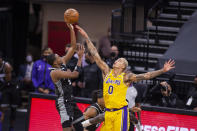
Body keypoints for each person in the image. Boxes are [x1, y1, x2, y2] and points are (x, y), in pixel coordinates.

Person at [76, 25, 175, 131]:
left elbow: (147, 76)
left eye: (120, 61)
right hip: (108, 112)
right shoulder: (107, 71)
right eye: (117, 60)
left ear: (123, 66)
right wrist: (86, 37)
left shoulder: (126, 77)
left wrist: (162, 70)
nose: (116, 61)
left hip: (120, 113)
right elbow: (95, 54)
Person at [47, 23, 84, 131]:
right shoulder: (55, 72)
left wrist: (71, 30)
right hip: (63, 102)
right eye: (58, 56)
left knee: (81, 126)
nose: (60, 56)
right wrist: (80, 58)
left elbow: (72, 47)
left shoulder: (62, 62)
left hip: (71, 100)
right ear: (54, 62)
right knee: (67, 129)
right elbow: (75, 74)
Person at [0, 52, 19, 131]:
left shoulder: (7, 66)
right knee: (2, 108)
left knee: (13, 109)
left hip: (12, 87)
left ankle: (11, 127)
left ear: (1, 59)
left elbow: (8, 81)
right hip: (4, 87)